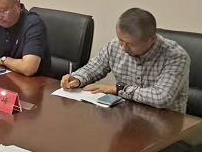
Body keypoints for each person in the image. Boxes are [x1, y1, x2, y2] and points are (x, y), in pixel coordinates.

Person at [62, 8, 190, 113]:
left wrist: (118, 89)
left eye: (130, 44)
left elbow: (162, 97)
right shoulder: (114, 46)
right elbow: (94, 68)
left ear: (151, 39)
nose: (123, 48)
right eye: (120, 40)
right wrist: (77, 79)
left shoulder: (175, 56)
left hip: (167, 123)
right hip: (127, 117)